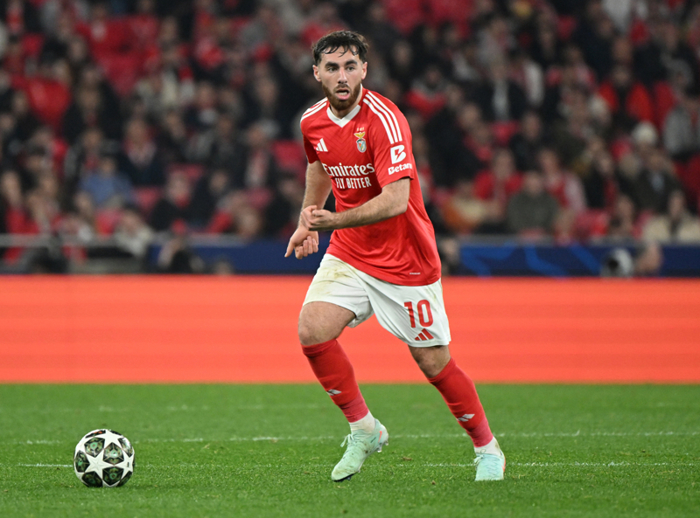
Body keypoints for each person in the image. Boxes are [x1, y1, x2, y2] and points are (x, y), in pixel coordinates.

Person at [285, 31, 505, 483]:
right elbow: (319, 164)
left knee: (433, 362)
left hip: (405, 259)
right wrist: (308, 218)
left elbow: (396, 200)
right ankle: (364, 429)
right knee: (312, 330)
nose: (342, 76)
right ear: (317, 73)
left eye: (350, 66)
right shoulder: (311, 121)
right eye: (332, 68)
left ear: (364, 70)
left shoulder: (385, 120)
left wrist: (332, 221)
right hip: (350, 250)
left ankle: (487, 448)